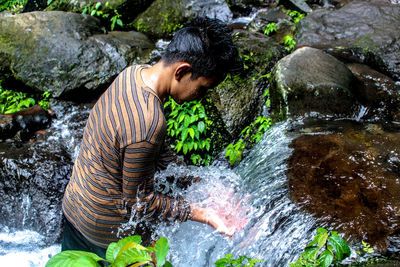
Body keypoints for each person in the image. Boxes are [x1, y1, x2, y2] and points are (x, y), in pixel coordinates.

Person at [61, 17, 242, 258]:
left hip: (75, 208)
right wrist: (204, 214)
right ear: (183, 71)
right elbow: (140, 202)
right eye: (203, 88)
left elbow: (153, 151)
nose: (202, 97)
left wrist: (200, 185)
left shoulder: (133, 74)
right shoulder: (149, 121)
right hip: (105, 239)